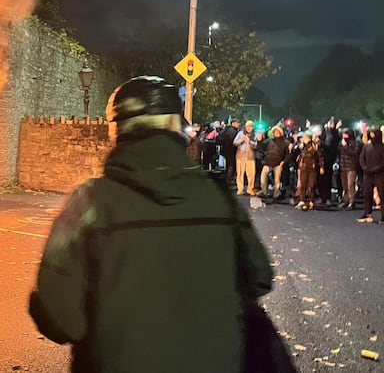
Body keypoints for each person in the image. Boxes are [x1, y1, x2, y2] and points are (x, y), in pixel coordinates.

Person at [29, 76, 273, 373]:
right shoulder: (217, 197)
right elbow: (260, 276)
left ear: (117, 130)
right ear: (175, 127)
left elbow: (61, 318)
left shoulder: (91, 203)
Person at [357, 129, 384, 223]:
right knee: (367, 194)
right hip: (367, 175)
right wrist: (365, 168)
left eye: (373, 134)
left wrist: (374, 169)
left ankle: (383, 216)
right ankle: (367, 213)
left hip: (379, 175)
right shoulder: (366, 147)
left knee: (382, 195)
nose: (372, 136)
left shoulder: (382, 147)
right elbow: (361, 158)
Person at [259, 125, 289, 201]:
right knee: (263, 177)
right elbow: (261, 147)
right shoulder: (269, 141)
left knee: (277, 180)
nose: (276, 133)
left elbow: (288, 154)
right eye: (275, 132)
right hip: (268, 162)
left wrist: (284, 161)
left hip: (278, 163)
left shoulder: (285, 142)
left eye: (277, 132)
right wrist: (259, 140)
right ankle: (264, 192)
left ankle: (276, 195)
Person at [295, 131, 323, 211]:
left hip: (312, 168)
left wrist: (321, 167)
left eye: (304, 137)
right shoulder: (302, 146)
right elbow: (296, 154)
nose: (303, 139)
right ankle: (302, 200)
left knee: (312, 185)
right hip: (303, 168)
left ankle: (311, 201)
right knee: (303, 185)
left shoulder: (314, 146)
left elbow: (320, 157)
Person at [338, 128, 361, 210]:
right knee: (345, 186)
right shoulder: (341, 142)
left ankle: (352, 201)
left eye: (345, 134)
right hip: (343, 166)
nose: (343, 135)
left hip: (351, 167)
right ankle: (346, 200)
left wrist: (346, 146)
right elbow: (339, 150)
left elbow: (354, 153)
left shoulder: (355, 143)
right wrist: (343, 145)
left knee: (350, 184)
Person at [234, 120, 258, 195]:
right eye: (247, 126)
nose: (249, 128)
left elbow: (256, 145)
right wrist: (241, 140)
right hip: (240, 157)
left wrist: (249, 141)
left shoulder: (255, 134)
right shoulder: (240, 133)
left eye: (251, 126)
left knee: (251, 174)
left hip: (250, 157)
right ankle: (240, 189)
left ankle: (250, 189)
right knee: (240, 174)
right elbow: (234, 142)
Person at [218, 118, 240, 184]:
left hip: (226, 150)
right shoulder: (232, 131)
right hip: (231, 150)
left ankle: (228, 179)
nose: (238, 124)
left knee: (229, 164)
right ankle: (229, 179)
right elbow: (233, 141)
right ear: (233, 123)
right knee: (232, 165)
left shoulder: (227, 129)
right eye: (237, 123)